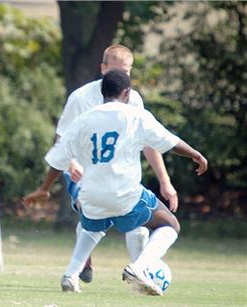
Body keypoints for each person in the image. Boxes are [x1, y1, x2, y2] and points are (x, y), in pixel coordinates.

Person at [23, 70, 207, 295]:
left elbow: (58, 157)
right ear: (126, 92)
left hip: (89, 195)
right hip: (125, 195)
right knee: (170, 225)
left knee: (92, 229)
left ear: (103, 92)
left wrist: (44, 189)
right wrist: (195, 154)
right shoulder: (134, 115)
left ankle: (71, 275)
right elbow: (169, 142)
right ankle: (139, 267)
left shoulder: (84, 119)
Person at [57, 45, 178, 284]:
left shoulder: (133, 99)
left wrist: (165, 181)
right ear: (102, 69)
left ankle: (137, 274)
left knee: (137, 224)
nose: (122, 77)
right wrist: (71, 164)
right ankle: (85, 265)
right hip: (83, 173)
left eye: (127, 71)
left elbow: (149, 142)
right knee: (93, 211)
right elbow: (62, 138)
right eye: (116, 70)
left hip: (120, 174)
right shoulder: (81, 98)